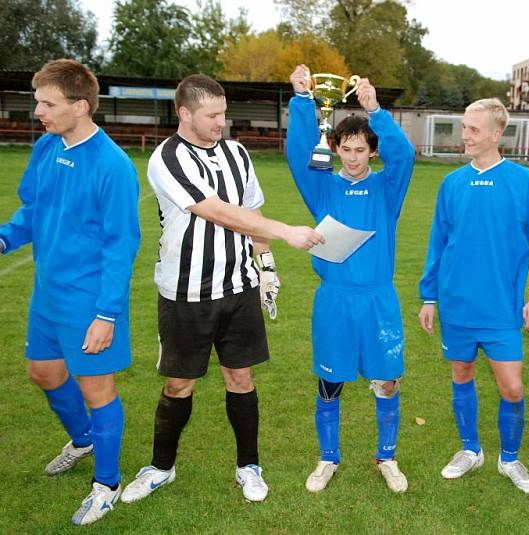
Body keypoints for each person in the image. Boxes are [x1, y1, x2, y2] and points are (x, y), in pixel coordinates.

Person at [121, 74, 323, 504]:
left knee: (241, 377)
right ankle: (161, 468)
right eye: (213, 115)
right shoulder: (167, 158)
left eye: (223, 113)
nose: (221, 122)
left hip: (238, 287)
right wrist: (286, 232)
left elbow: (251, 211)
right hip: (186, 292)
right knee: (179, 384)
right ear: (185, 113)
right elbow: (217, 212)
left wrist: (265, 263)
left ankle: (248, 466)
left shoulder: (237, 152)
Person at [0, 59, 140, 525]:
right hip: (47, 294)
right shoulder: (45, 148)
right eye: (37, 101)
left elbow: (123, 245)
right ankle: (83, 439)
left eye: (47, 103)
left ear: (80, 106)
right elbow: (34, 210)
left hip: (88, 300)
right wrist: (4, 237)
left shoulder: (112, 165)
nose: (37, 110)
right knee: (42, 373)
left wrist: (107, 314)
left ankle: (107, 484)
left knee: (97, 388)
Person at [418, 98, 529, 495]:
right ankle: (470, 449)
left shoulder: (524, 182)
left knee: (511, 387)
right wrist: (429, 297)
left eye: (474, 129)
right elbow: (438, 243)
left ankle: (509, 458)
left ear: (497, 134)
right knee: (461, 373)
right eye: (464, 127)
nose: (465, 135)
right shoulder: (453, 183)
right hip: (457, 304)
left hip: (501, 308)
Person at [286, 65, 415, 493]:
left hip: (378, 299)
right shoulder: (322, 186)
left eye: (361, 149)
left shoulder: (386, 189)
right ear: (337, 148)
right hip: (335, 300)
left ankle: (387, 457)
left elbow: (406, 156)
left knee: (387, 380)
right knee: (330, 381)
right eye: (347, 148)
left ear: (371, 152)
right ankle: (328, 459)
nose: (354, 156)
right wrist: (302, 101)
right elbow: (296, 153)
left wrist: (376, 110)